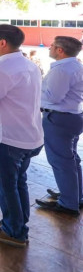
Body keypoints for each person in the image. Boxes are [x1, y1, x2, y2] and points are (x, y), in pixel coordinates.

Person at [0, 24, 44, 248]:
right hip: (29, 135)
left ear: (2, 43)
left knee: (5, 185)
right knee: (18, 182)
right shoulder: (28, 64)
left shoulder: (0, 70)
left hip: (6, 138)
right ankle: (16, 222)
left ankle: (14, 232)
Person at [34, 36, 83, 216]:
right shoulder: (75, 65)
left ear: (60, 50)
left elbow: (53, 97)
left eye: (52, 45)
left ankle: (68, 203)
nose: (49, 48)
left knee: (61, 161)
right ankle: (75, 195)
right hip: (72, 116)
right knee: (71, 160)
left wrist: (34, 93)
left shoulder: (62, 70)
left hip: (59, 119)